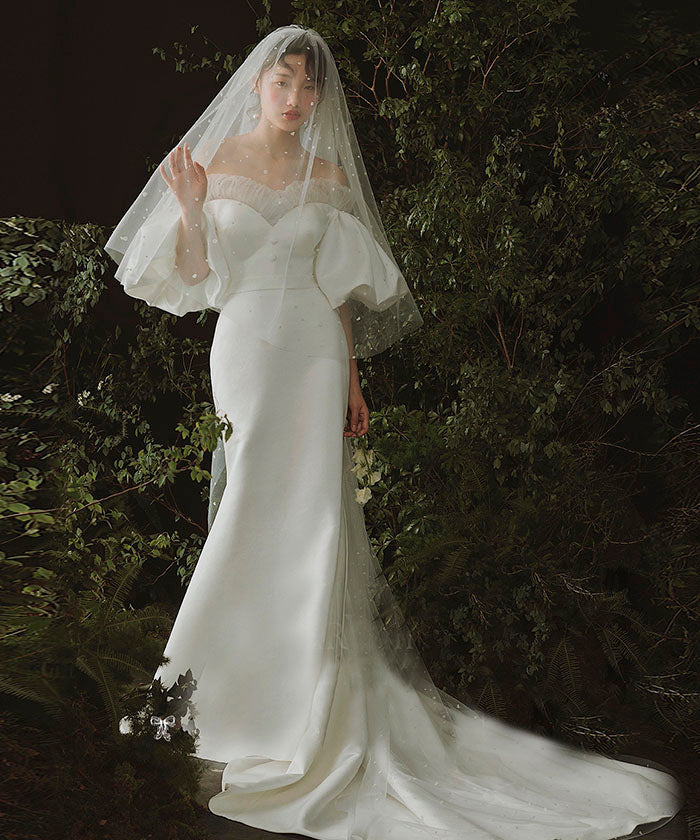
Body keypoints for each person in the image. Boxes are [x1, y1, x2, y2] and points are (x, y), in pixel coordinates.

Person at [105, 24, 684, 840]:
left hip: (312, 354)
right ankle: (213, 699)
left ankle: (302, 706)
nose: (297, 98)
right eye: (283, 82)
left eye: (310, 86)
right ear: (257, 84)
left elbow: (338, 292)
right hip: (244, 349)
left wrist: (349, 376)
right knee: (246, 510)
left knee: (313, 520)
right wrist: (195, 208)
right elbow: (197, 275)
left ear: (320, 96)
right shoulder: (218, 160)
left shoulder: (330, 175)